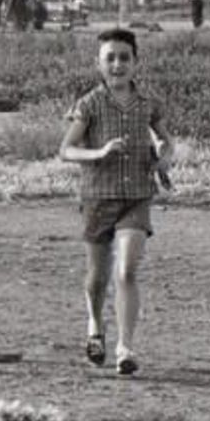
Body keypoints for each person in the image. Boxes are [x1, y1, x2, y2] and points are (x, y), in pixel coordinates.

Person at [60, 28, 173, 376]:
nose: (117, 64)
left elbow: (166, 141)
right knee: (98, 277)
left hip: (136, 197)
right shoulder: (89, 104)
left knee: (127, 270)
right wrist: (101, 151)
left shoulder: (148, 103)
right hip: (98, 198)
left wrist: (165, 156)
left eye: (124, 57)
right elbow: (66, 149)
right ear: (99, 64)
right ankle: (95, 326)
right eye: (110, 58)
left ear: (135, 62)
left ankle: (126, 347)